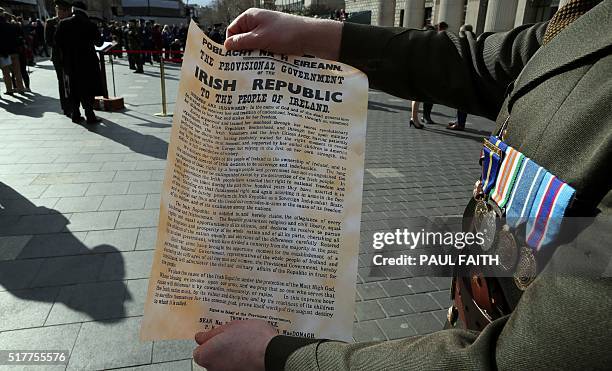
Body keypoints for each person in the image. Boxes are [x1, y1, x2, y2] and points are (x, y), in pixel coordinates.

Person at [192, 2, 612, 370]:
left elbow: (526, 358)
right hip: (479, 294)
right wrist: (318, 35)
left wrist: (279, 357)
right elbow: (488, 61)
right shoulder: (589, 12)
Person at [55, 1, 103, 124]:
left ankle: (75, 114)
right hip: (88, 62)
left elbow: (57, 43)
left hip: (69, 62)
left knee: (72, 86)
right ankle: (90, 114)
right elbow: (99, 43)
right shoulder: (90, 24)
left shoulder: (63, 23)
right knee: (87, 87)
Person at [45, 0, 73, 117]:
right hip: (58, 56)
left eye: (62, 10)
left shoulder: (72, 21)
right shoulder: (51, 22)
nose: (59, 12)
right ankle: (66, 106)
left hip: (71, 56)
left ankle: (74, 104)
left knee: (73, 81)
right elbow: (48, 41)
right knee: (62, 82)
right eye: (58, 9)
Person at [447, 24, 474, 131]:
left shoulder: (466, 42)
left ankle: (460, 124)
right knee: (460, 101)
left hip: (464, 77)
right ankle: (458, 120)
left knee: (462, 101)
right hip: (466, 76)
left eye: (460, 32)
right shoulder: (472, 40)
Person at [0, 10, 26, 95]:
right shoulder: (12, 26)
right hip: (14, 51)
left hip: (3, 53)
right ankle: (20, 88)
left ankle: (9, 89)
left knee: (6, 73)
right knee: (17, 71)